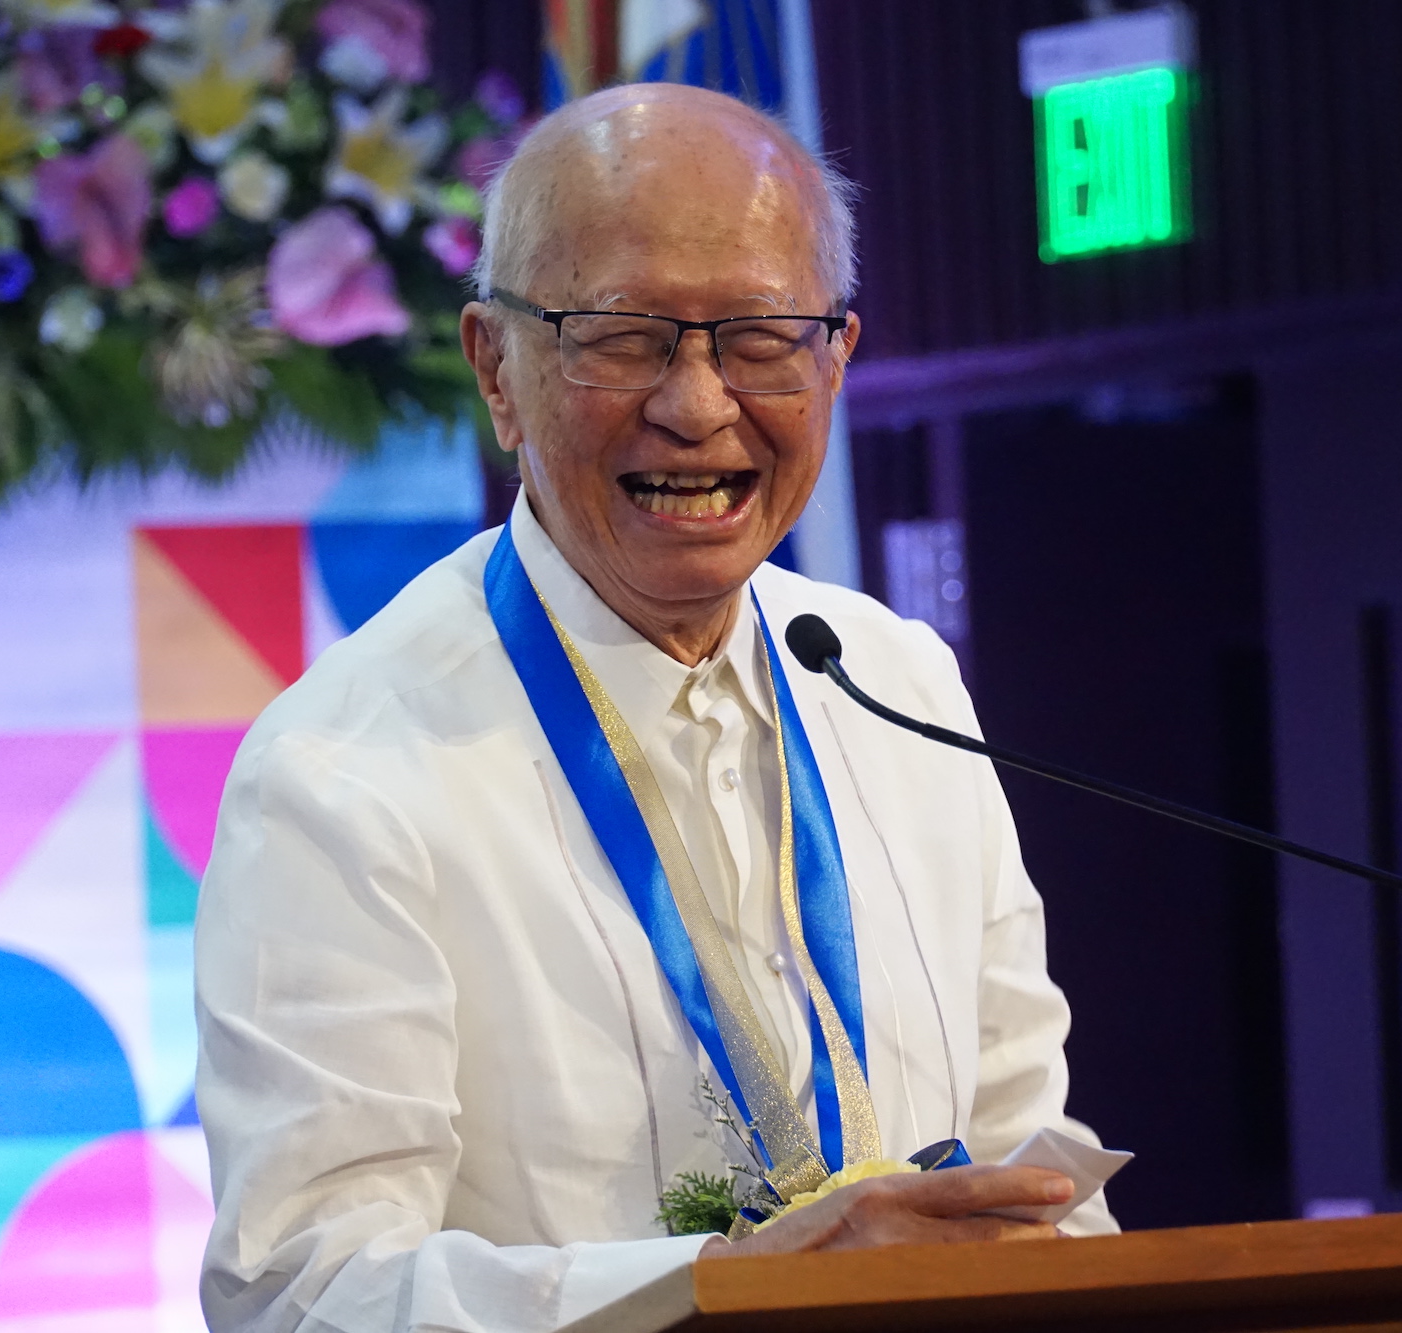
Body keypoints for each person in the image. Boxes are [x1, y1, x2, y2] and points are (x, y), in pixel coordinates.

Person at [194, 83, 1114, 1333]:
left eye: (759, 335)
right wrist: (720, 1297)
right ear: (496, 368)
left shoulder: (895, 684)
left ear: (835, 358)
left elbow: (1027, 1151)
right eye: (621, 335)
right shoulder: (343, 774)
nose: (697, 404)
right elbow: (303, 1293)